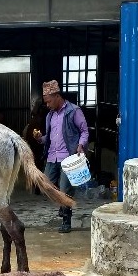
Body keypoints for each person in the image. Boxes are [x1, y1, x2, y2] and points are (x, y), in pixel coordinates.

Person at [32, 80, 89, 233]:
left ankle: (66, 220)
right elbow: (49, 138)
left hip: (68, 157)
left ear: (57, 96)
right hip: (52, 157)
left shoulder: (73, 111)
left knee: (65, 189)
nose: (47, 105)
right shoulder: (49, 116)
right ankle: (63, 206)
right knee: (46, 186)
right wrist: (39, 139)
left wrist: (81, 144)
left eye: (49, 101)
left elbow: (84, 131)